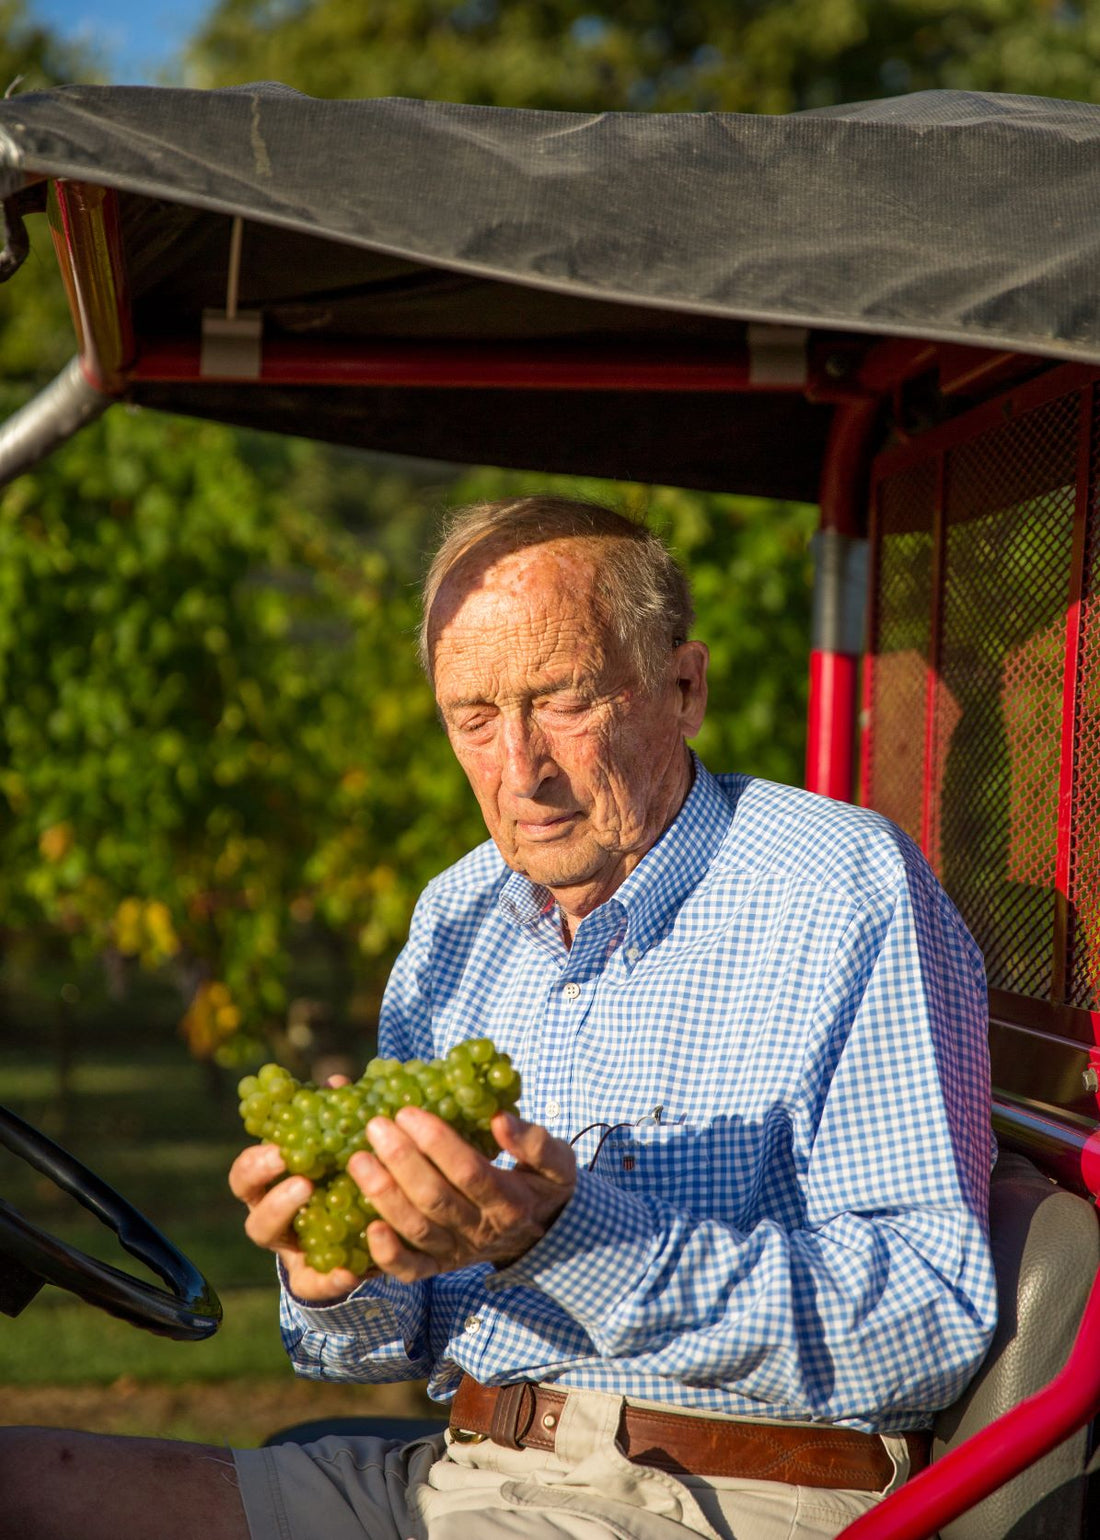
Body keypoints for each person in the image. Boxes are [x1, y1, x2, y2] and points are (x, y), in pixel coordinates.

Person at [0, 496, 997, 1540]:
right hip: (459, 1472)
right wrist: (337, 1274)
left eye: (561, 699)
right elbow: (395, 1337)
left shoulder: (835, 887)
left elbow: (929, 1321)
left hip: (716, 1495)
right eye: (472, 718)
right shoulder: (455, 918)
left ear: (683, 684)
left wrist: (566, 1239)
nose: (519, 770)